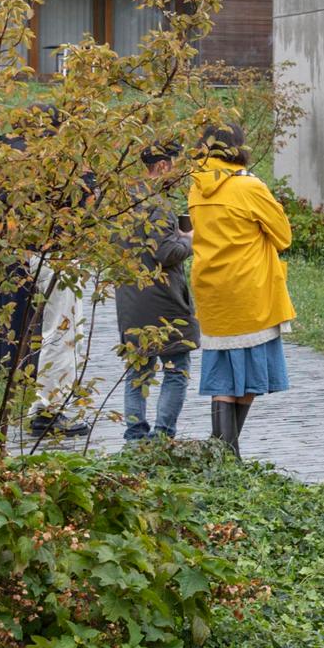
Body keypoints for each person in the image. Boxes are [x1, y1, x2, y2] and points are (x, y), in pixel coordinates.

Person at [188, 126, 294, 456]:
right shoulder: (250, 187)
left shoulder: (196, 188)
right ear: (238, 147)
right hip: (250, 292)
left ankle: (225, 456)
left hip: (212, 294)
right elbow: (283, 236)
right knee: (248, 377)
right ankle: (227, 457)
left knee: (222, 378)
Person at [116, 155, 194, 442]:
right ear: (162, 166)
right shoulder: (158, 205)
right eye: (175, 165)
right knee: (176, 366)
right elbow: (166, 253)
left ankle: (135, 436)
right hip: (163, 300)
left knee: (138, 369)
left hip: (129, 298)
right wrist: (188, 239)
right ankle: (163, 435)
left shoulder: (122, 202)